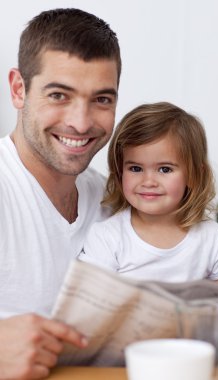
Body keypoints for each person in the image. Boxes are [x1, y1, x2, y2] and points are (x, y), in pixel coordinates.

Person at [79, 101, 218, 366]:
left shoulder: (212, 238)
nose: (148, 181)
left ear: (193, 176)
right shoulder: (107, 237)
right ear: (120, 172)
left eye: (165, 169)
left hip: (191, 365)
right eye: (135, 168)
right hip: (124, 366)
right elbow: (89, 313)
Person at [0, 7, 121, 379]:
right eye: (59, 95)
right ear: (19, 89)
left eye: (102, 100)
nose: (81, 123)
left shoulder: (112, 201)